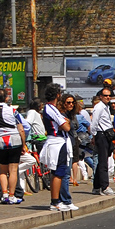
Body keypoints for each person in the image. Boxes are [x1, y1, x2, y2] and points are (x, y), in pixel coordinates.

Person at [39, 84, 75, 212]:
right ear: (57, 95)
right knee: (58, 172)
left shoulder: (51, 109)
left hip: (59, 142)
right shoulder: (51, 109)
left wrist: (65, 122)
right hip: (57, 143)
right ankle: (55, 202)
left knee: (59, 172)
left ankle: (58, 201)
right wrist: (65, 122)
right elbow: (66, 126)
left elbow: (64, 123)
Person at [90, 87, 115, 196]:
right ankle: (104, 187)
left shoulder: (106, 107)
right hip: (101, 134)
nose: (108, 97)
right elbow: (94, 122)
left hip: (106, 135)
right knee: (103, 163)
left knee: (103, 160)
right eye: (105, 95)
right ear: (100, 96)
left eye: (109, 95)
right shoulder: (99, 107)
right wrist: (94, 136)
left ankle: (96, 187)